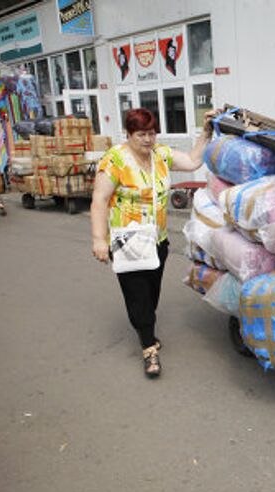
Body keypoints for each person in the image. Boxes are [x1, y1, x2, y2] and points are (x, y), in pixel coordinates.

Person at [90, 107, 220, 378]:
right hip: (128, 242)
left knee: (151, 294)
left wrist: (206, 131)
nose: (148, 140)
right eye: (141, 135)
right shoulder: (115, 161)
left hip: (157, 240)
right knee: (138, 296)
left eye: (151, 133)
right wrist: (99, 239)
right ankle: (149, 348)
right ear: (129, 134)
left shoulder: (160, 154)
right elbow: (100, 200)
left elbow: (194, 161)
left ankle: (145, 326)